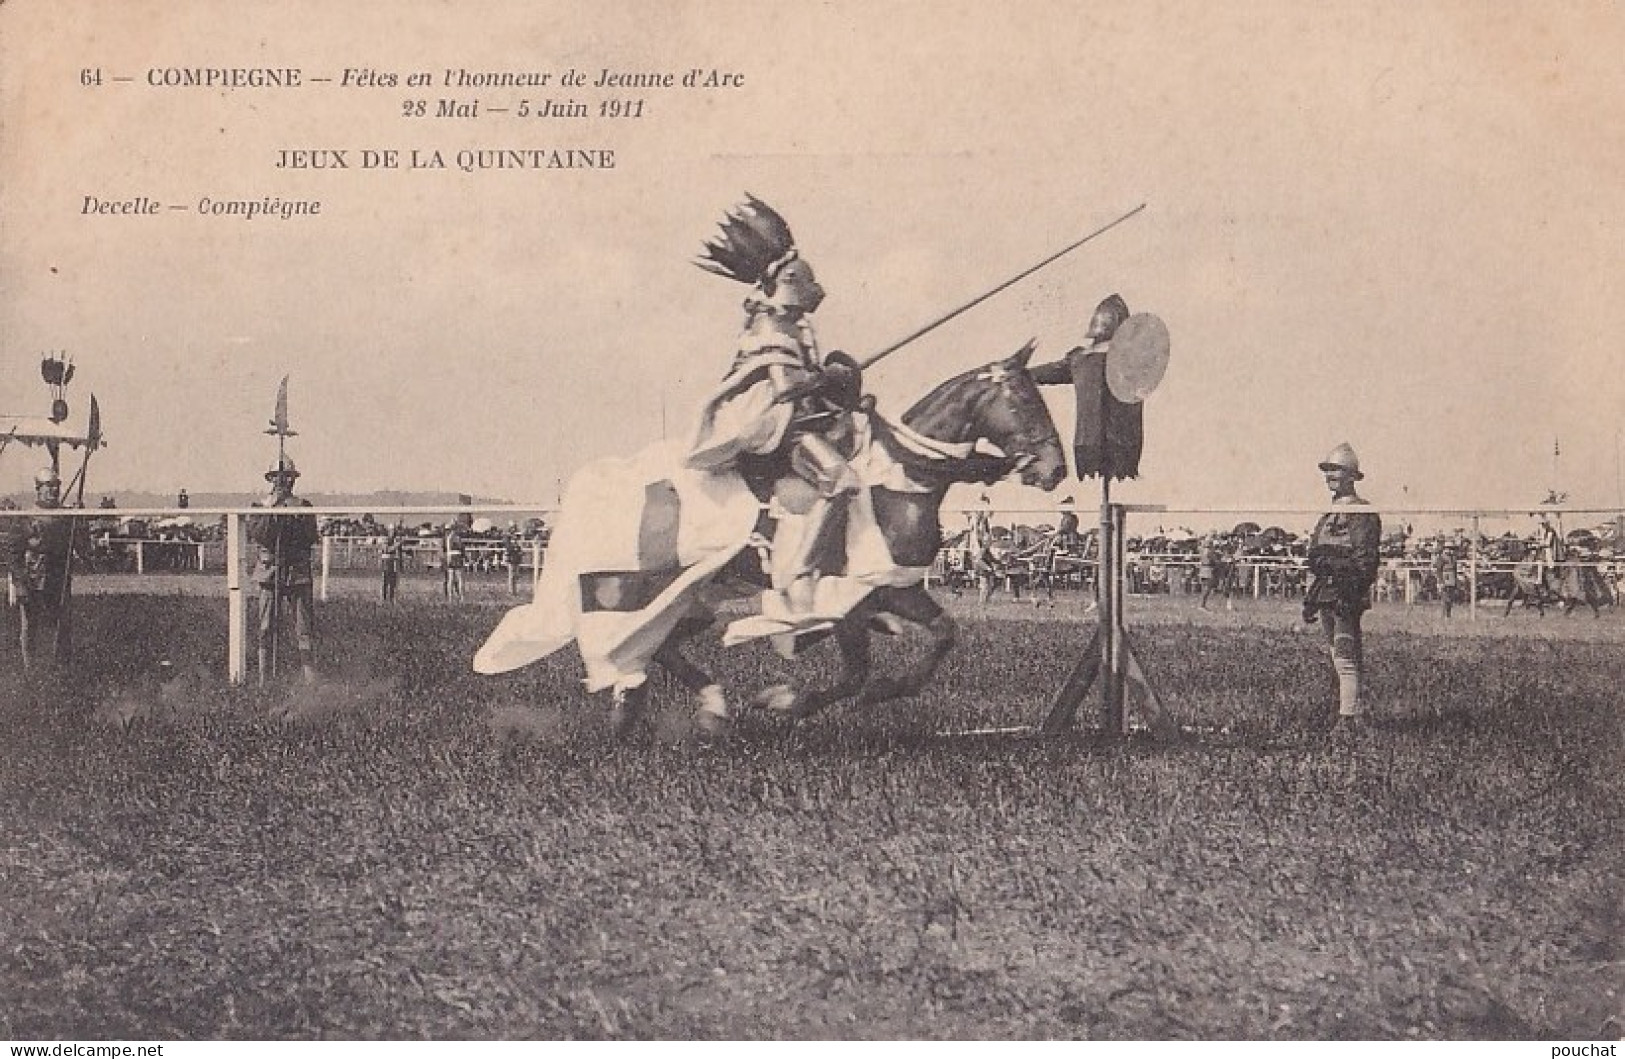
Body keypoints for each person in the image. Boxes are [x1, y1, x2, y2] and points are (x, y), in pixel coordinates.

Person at [686, 195, 864, 622]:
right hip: (786, 430)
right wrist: (828, 377)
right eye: (807, 280)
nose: (816, 288)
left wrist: (839, 384)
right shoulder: (773, 323)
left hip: (800, 422)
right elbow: (787, 388)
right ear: (789, 280)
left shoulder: (792, 323)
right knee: (843, 480)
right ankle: (799, 577)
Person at [1301, 443, 1382, 731]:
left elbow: (1365, 556)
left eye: (1336, 470)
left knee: (1346, 653)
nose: (1330, 476)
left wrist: (1352, 588)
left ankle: (1348, 720)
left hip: (1345, 588)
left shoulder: (1362, 511)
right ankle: (1348, 711)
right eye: (1328, 471)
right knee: (1337, 652)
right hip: (1325, 588)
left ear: (1351, 475)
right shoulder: (1328, 511)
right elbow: (1315, 549)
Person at [1030, 293, 1143, 481]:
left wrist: (1019, 373)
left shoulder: (1081, 360)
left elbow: (1047, 372)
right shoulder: (1130, 361)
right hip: (1123, 445)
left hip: (1091, 443)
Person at [246, 454, 320, 683]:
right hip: (270, 571)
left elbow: (309, 536)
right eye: (279, 477)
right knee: (266, 626)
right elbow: (259, 535)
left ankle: (310, 680)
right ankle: (263, 679)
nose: (284, 482)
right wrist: (273, 511)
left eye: (288, 477)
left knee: (304, 628)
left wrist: (293, 517)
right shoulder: (259, 506)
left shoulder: (304, 506)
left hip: (297, 572)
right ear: (270, 479)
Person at [5, 467, 75, 670]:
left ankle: (60, 667)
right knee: (30, 626)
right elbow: (13, 552)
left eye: (57, 486)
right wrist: (19, 582)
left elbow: (77, 543)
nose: (54, 490)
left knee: (60, 624)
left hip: (58, 578)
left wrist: (79, 520)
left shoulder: (65, 515)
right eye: (49, 486)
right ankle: (30, 669)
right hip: (32, 578)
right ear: (38, 488)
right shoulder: (26, 516)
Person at [1432, 538, 1461, 618]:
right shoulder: (1441, 558)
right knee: (1445, 598)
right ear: (1444, 549)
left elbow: (1455, 570)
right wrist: (1440, 581)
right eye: (1448, 548)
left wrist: (1456, 581)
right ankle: (1443, 615)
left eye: (1452, 549)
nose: (1450, 550)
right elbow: (1438, 570)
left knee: (1451, 598)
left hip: (1452, 579)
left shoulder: (1453, 558)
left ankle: (1448, 614)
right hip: (1445, 578)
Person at [443, 519, 467, 602]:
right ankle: (462, 597)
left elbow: (448, 549)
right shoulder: (458, 538)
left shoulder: (449, 537)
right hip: (457, 556)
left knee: (451, 578)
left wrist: (448, 559)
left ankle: (450, 598)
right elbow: (462, 548)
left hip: (451, 556)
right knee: (460, 578)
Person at [380, 525, 404, 602]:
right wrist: (397, 545)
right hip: (386, 561)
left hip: (394, 561)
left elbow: (399, 553)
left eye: (393, 531)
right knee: (385, 581)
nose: (392, 532)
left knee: (393, 582)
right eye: (391, 530)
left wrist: (400, 564)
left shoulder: (396, 540)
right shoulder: (385, 539)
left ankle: (392, 598)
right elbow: (386, 549)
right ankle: (383, 598)